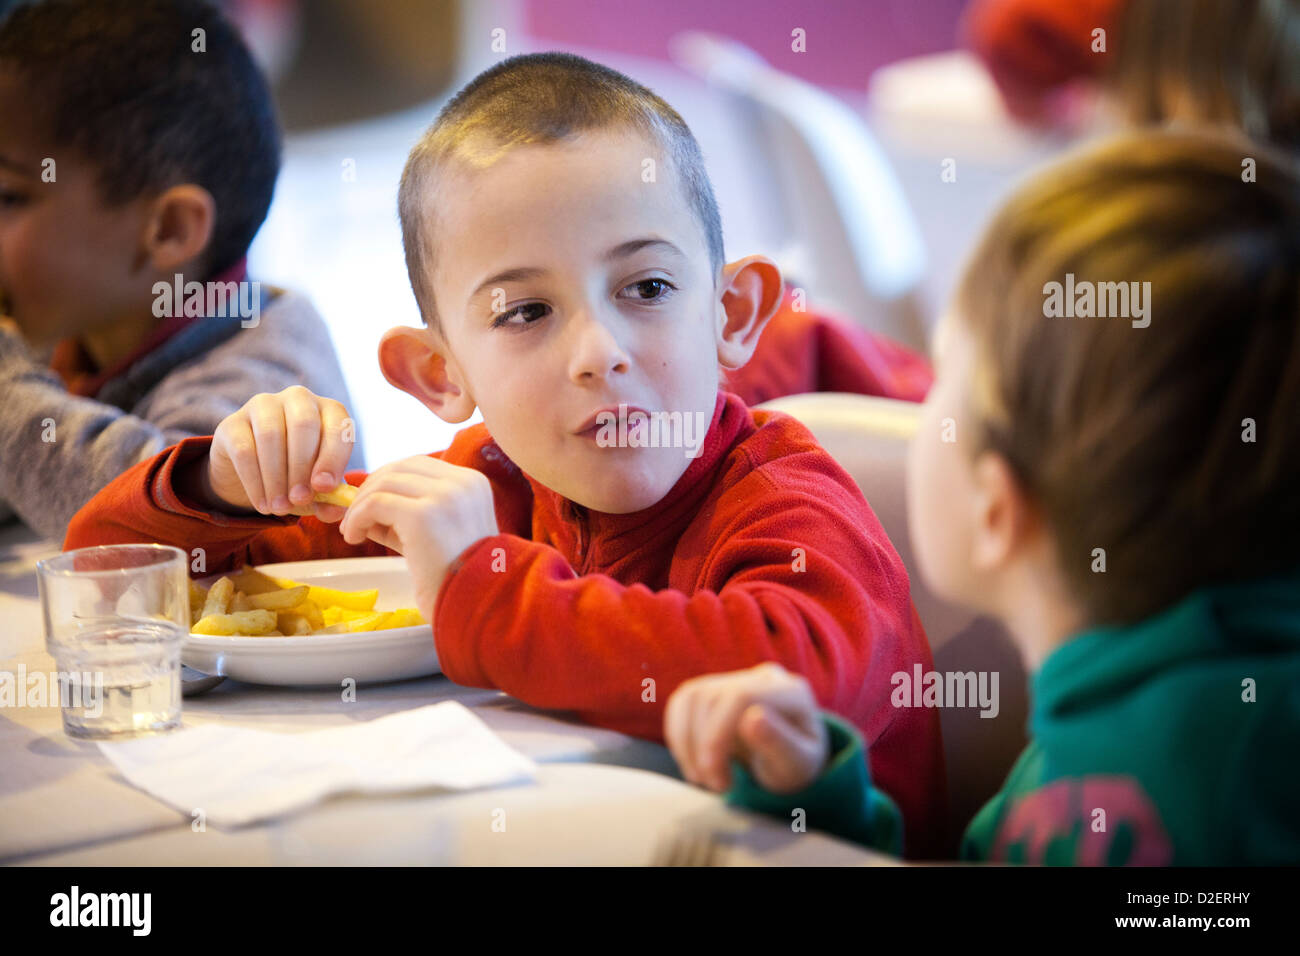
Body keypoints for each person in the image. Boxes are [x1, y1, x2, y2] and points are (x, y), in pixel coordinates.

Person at [64, 52, 948, 857]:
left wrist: (480, 586)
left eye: (646, 287)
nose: (598, 350)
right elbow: (113, 570)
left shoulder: (785, 496)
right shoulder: (490, 480)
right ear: (440, 373)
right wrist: (216, 481)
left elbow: (799, 680)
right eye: (526, 313)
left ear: (732, 313)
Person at [665, 128, 1300, 864]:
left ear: (998, 510)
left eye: (944, 387)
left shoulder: (1134, 804)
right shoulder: (1178, 718)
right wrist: (811, 798)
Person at [0, 0, 361, 543]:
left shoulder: (269, 369)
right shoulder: (63, 341)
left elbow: (147, 526)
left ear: (168, 229)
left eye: (9, 195)